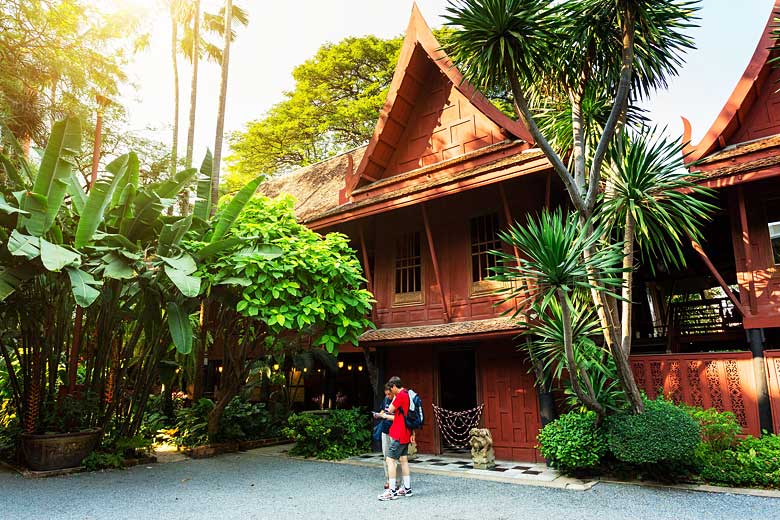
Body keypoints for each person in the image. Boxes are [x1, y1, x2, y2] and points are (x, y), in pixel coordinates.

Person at [376, 376, 413, 500]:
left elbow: (390, 409)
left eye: (391, 390)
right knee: (403, 460)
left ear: (394, 386)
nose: (390, 393)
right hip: (405, 432)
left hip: (398, 432)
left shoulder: (401, 395)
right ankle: (407, 489)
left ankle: (392, 491)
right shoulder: (407, 394)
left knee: (390, 459)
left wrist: (395, 398)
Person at [372, 384, 395, 489]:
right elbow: (382, 409)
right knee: (386, 456)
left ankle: (396, 481)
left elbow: (400, 417)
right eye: (386, 394)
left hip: (395, 430)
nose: (388, 396)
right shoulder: (386, 399)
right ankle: (388, 480)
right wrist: (378, 414)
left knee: (395, 457)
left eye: (389, 394)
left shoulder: (396, 400)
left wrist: (386, 416)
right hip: (385, 429)